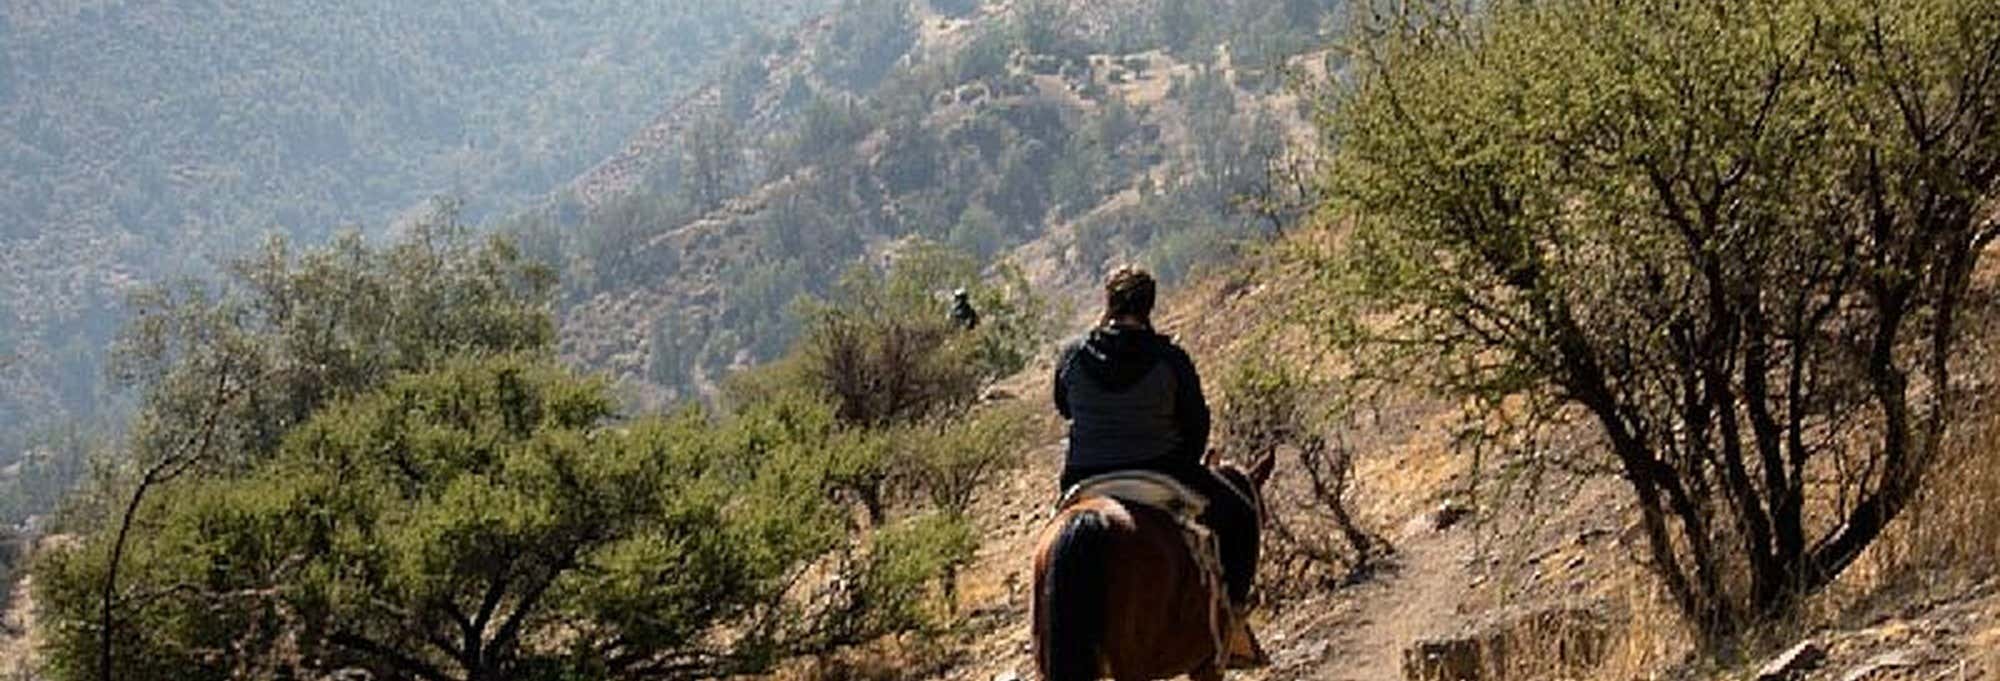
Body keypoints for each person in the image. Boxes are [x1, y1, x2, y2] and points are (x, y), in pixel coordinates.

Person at [1052, 266, 1260, 637]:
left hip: (1086, 475)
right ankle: (1233, 613)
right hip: (1163, 469)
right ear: (1150, 305)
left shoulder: (1073, 356)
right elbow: (1196, 422)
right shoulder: (1170, 358)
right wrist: (1189, 457)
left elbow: (1064, 407)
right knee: (1242, 515)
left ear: (1108, 302)